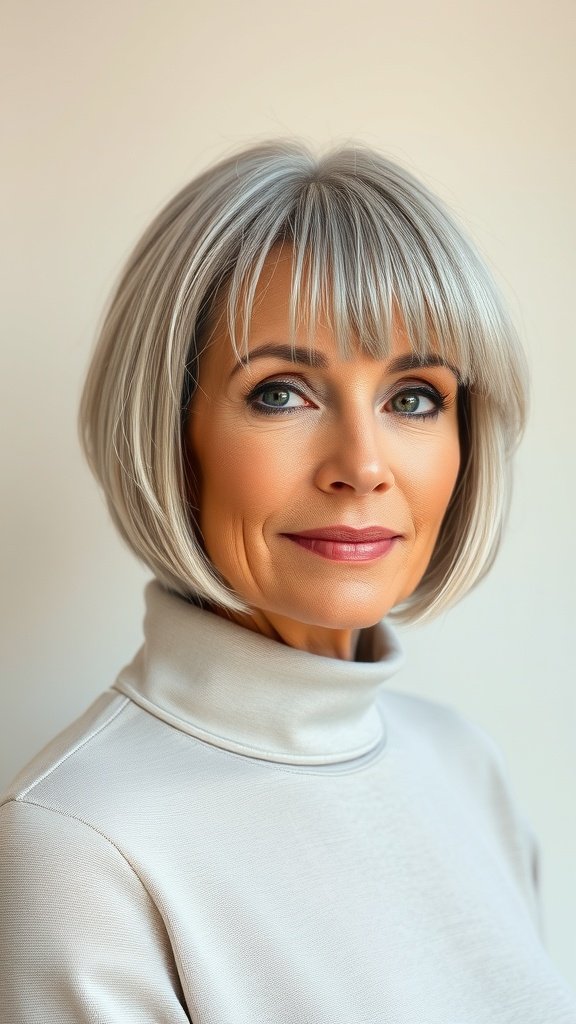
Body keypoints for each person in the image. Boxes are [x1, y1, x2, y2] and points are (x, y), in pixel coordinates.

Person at [1, 139, 574, 1023]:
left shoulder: (463, 763)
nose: (362, 465)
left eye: (413, 397)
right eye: (281, 393)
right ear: (169, 428)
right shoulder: (78, 845)